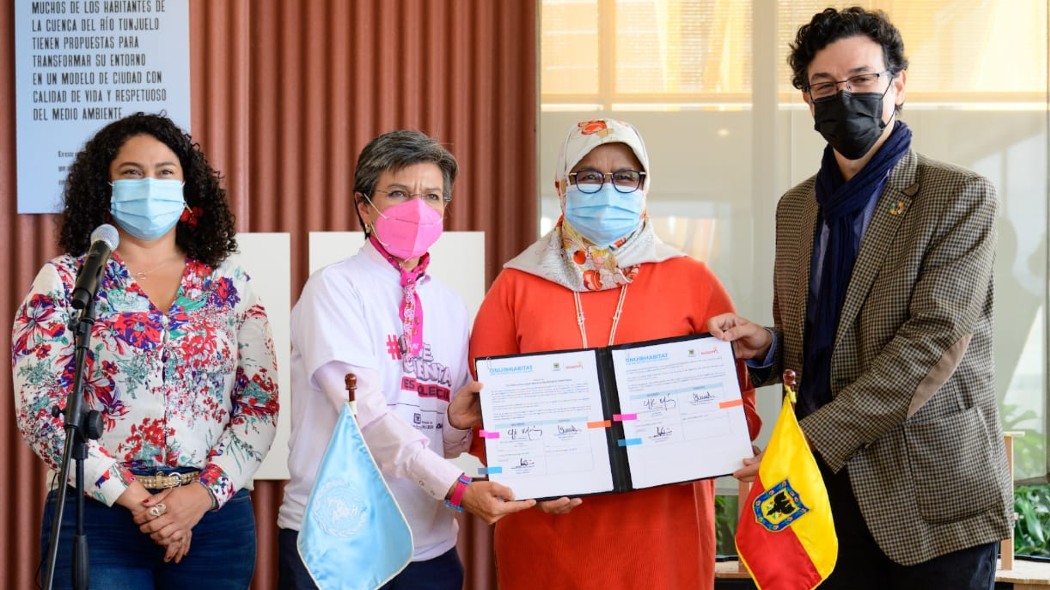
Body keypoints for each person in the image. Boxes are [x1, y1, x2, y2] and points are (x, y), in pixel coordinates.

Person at [708, 7, 1012, 589]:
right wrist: (768, 347)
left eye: (862, 80)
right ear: (807, 100)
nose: (843, 95)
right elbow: (823, 335)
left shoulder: (958, 196)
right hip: (822, 498)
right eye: (824, 85)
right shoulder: (797, 208)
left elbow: (931, 346)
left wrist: (809, 444)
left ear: (897, 84)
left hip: (927, 496)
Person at [469, 118, 761, 589]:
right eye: (589, 175)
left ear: (645, 187)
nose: (608, 189)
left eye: (625, 175)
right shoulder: (516, 285)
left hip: (665, 537)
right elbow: (484, 413)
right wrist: (529, 477)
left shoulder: (691, 280)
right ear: (562, 186)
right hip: (550, 536)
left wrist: (723, 438)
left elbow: (738, 405)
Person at [12, 112, 279, 588]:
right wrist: (134, 497)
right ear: (106, 188)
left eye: (165, 172)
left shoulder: (230, 284)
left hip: (212, 519)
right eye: (131, 173)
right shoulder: (66, 280)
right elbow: (42, 409)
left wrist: (199, 496)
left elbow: (259, 404)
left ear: (186, 190)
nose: (149, 183)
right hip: (98, 515)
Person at [277, 129, 534, 590]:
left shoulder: (451, 304)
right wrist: (457, 489)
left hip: (429, 544)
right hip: (340, 537)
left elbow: (447, 442)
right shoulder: (335, 288)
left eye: (432, 195)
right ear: (363, 206)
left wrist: (456, 422)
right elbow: (366, 419)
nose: (418, 208)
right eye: (398, 192)